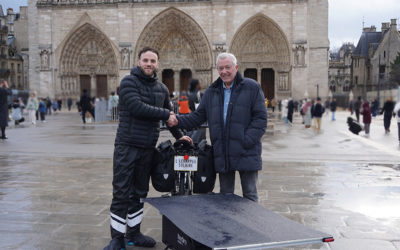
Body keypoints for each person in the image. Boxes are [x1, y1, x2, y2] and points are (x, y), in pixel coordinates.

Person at [103, 47, 191, 250]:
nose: (149, 64)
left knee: (140, 192)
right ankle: (117, 238)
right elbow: (136, 107)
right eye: (145, 60)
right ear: (138, 62)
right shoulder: (128, 83)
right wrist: (165, 114)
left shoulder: (161, 89)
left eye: (153, 60)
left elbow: (170, 118)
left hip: (147, 148)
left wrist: (181, 136)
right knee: (122, 192)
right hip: (127, 146)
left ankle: (133, 233)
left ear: (157, 64)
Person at [168, 52, 267, 202]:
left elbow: (260, 119)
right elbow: (197, 117)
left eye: (228, 67)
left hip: (246, 151)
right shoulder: (212, 92)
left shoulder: (252, 87)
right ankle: (226, 226)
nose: (224, 71)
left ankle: (251, 226)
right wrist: (177, 121)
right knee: (225, 197)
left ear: (236, 67)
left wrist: (245, 141)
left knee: (250, 195)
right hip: (223, 151)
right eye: (220, 68)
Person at [187, 78, 206, 144]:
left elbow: (190, 106)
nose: (200, 85)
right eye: (199, 84)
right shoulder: (200, 94)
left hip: (192, 116)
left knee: (193, 134)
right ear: (196, 85)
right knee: (200, 138)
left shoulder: (190, 94)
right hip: (200, 117)